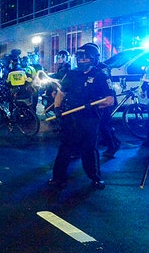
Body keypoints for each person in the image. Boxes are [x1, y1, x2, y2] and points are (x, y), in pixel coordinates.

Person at [48, 43, 115, 190]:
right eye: (80, 57)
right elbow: (61, 92)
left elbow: (110, 100)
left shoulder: (100, 75)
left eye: (86, 58)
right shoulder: (72, 74)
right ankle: (58, 178)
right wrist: (57, 108)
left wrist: (95, 105)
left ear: (93, 59)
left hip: (89, 118)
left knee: (89, 149)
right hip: (70, 117)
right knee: (65, 148)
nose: (82, 60)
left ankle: (95, 178)